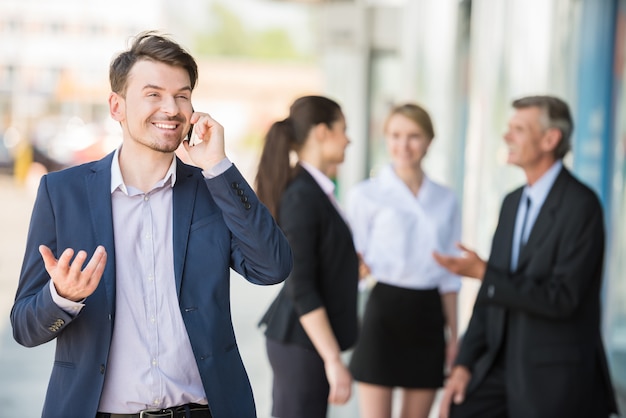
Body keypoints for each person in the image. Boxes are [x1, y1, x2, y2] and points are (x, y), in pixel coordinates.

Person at [10, 31, 293, 418]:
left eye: (182, 94)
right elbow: (25, 327)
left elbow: (272, 267)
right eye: (153, 94)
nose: (171, 108)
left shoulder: (212, 190)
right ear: (117, 106)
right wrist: (62, 296)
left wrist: (219, 167)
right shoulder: (62, 194)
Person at [433, 95, 619, 418]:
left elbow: (563, 297)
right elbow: (491, 293)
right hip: (498, 366)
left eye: (518, 129)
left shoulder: (581, 205)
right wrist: (463, 364)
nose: (507, 136)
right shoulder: (512, 202)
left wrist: (485, 273)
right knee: (457, 410)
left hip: (552, 375)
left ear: (550, 139)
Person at [346, 103, 461, 418]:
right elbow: (350, 264)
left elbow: (451, 275)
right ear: (385, 138)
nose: (403, 145)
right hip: (383, 310)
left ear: (429, 140)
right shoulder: (365, 195)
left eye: (414, 136)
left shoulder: (445, 198)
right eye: (395, 135)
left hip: (428, 314)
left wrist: (454, 335)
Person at [256, 95, 359, 418]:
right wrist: (332, 359)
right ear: (321, 132)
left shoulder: (315, 190)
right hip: (301, 344)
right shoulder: (302, 195)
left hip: (304, 342)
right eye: (343, 129)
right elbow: (300, 285)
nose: (349, 139)